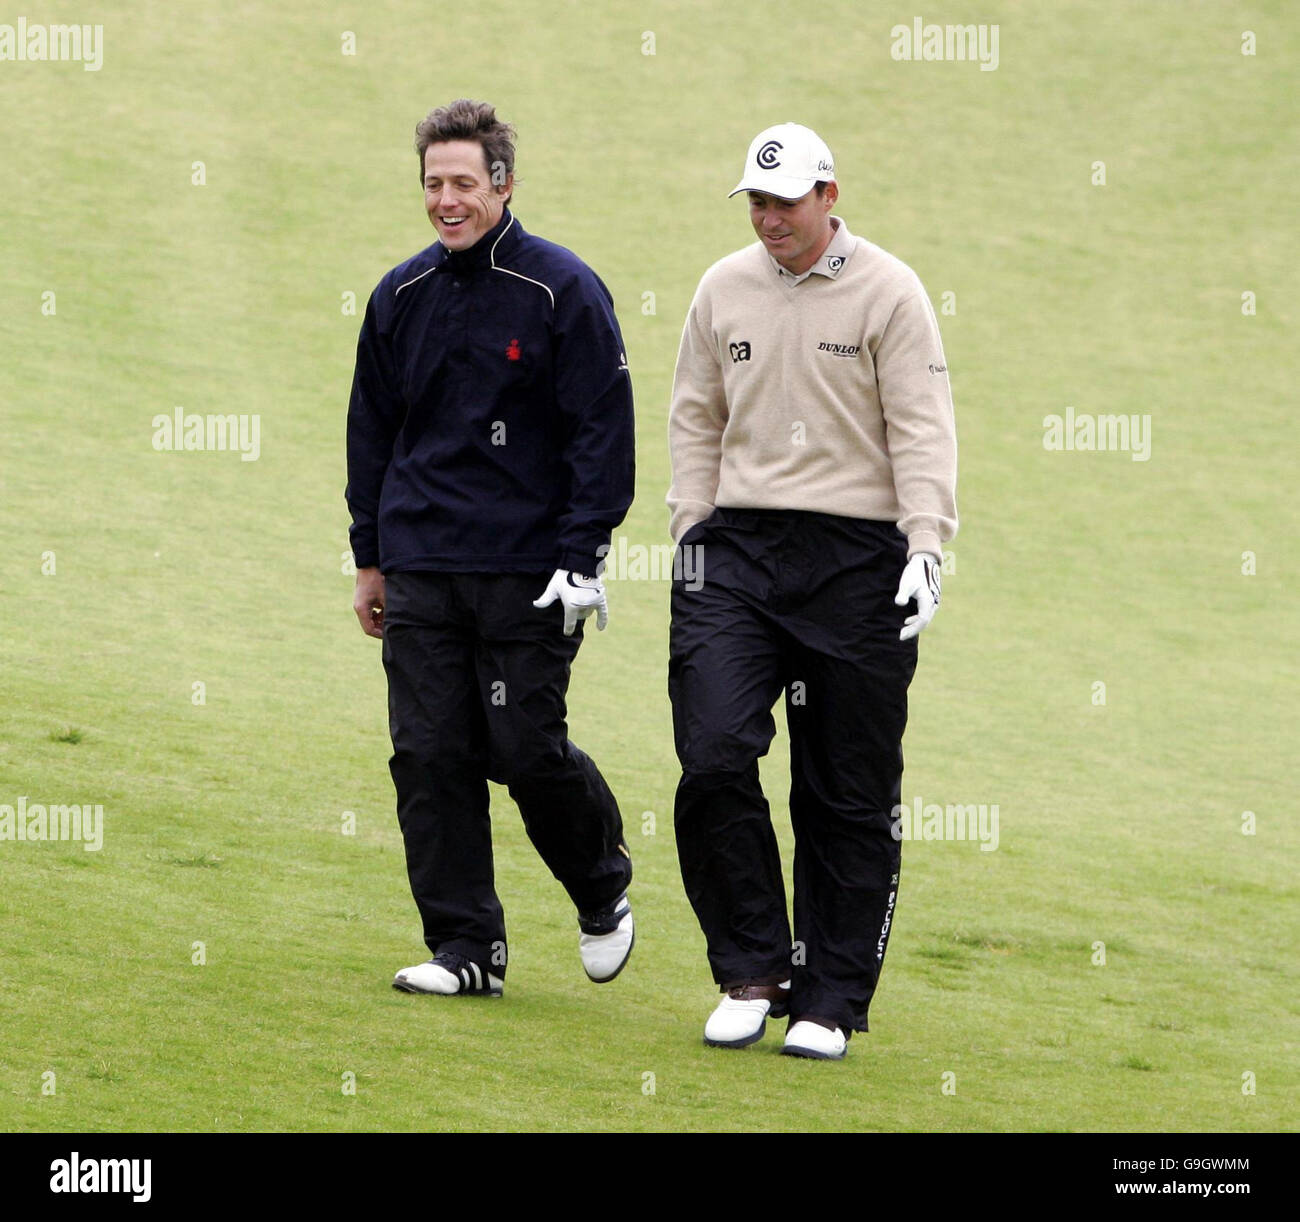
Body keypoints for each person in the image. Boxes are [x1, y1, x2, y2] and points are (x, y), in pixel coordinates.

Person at [666, 123, 957, 1059]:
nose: (769, 218)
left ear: (829, 195)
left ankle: (828, 998)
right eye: (757, 201)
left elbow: (921, 424)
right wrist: (690, 528)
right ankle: (752, 970)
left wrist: (926, 543)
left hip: (859, 558)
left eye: (786, 201)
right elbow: (694, 416)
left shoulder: (890, 291)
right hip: (735, 551)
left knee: (845, 789)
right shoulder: (723, 287)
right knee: (713, 753)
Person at [346, 99, 636, 999]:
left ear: (503, 185)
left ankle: (601, 884)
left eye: (463, 183)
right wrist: (369, 557)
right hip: (423, 565)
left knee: (523, 749)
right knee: (429, 753)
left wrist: (583, 556)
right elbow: (371, 433)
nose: (446, 199)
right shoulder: (400, 296)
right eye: (433, 183)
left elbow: (602, 431)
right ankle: (466, 948)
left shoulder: (562, 290)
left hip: (529, 573)